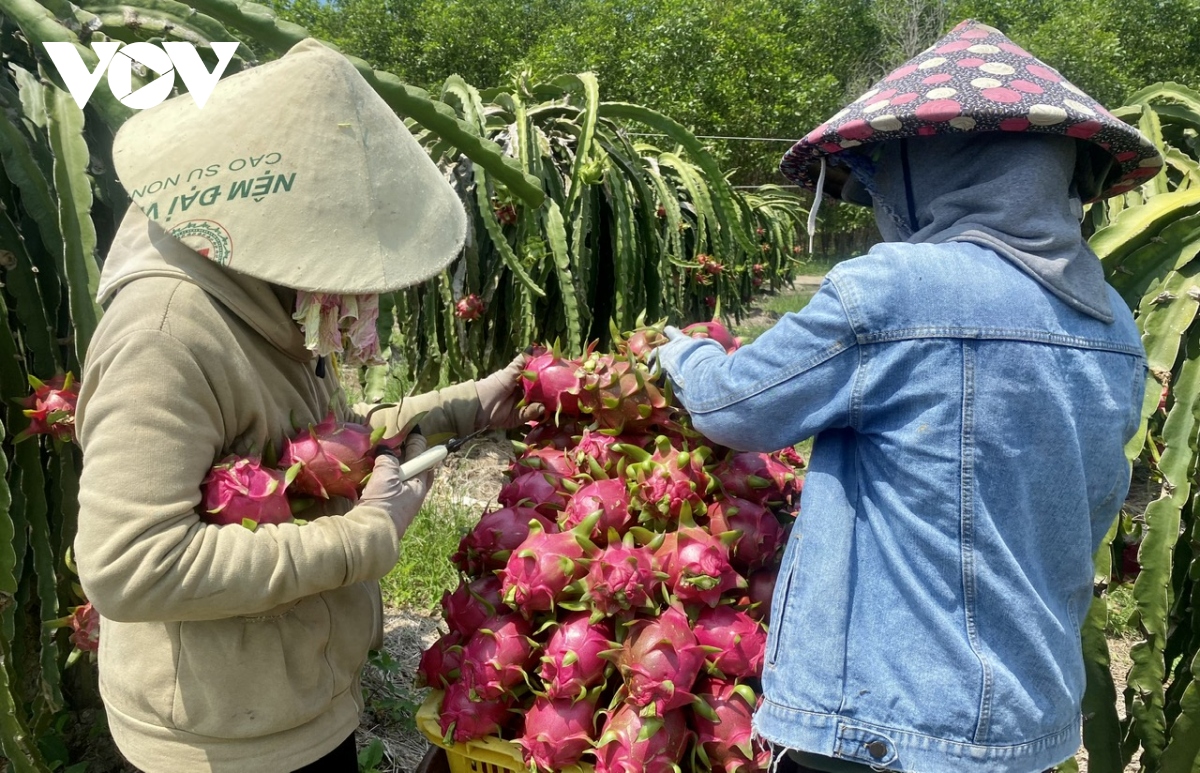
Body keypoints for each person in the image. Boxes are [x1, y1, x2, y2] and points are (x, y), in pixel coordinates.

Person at [656, 20, 1160, 773]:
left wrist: (684, 355)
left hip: (883, 727)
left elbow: (737, 409)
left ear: (934, 166)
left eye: (888, 171)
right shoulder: (1114, 322)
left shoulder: (897, 289)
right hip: (1029, 722)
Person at [74, 39, 534, 772]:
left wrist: (466, 407)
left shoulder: (265, 298)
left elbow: (318, 452)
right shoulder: (164, 336)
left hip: (297, 706)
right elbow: (132, 564)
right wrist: (369, 536)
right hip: (221, 744)